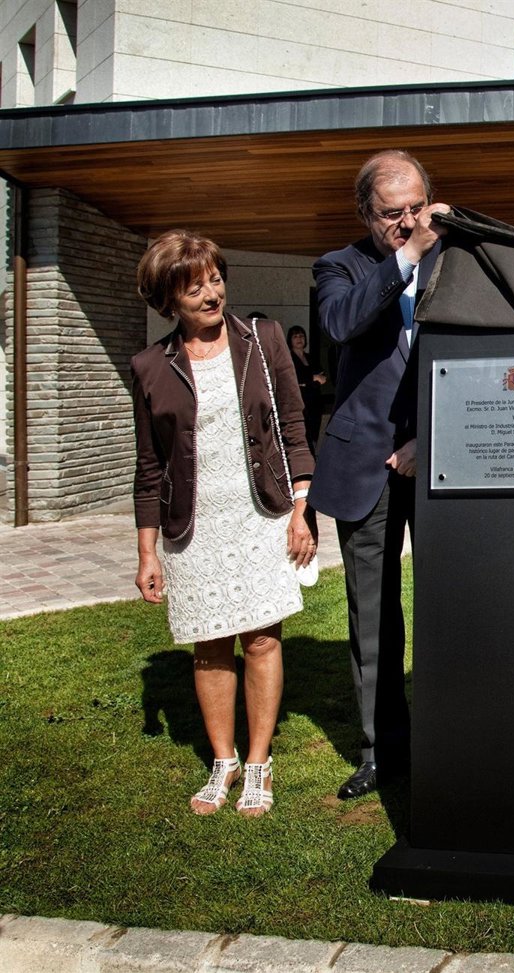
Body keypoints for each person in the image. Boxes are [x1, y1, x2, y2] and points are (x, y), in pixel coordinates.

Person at [132, 230, 317, 817]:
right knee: (209, 645)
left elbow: (294, 427)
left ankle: (259, 761)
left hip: (260, 513)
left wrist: (301, 509)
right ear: (169, 300)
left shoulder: (263, 339)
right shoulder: (149, 367)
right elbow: (148, 466)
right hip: (193, 524)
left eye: (215, 280)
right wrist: (147, 552)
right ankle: (224, 760)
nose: (212, 294)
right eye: (195, 288)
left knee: (261, 638)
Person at [307, 150, 449, 800]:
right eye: (393, 213)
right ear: (366, 212)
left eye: (418, 208)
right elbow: (343, 322)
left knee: (452, 602)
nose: (409, 222)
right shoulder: (339, 266)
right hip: (364, 462)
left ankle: (451, 739)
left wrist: (432, 437)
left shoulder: (456, 260)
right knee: (373, 614)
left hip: (440, 457)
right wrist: (407, 256)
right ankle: (380, 751)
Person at [285, 324, 327, 454]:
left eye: (301, 336)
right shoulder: (288, 359)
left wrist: (307, 381)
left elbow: (322, 378)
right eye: (295, 336)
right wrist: (312, 378)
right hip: (299, 403)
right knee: (303, 434)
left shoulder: (310, 358)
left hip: (315, 402)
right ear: (290, 340)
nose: (299, 339)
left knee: (314, 434)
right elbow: (293, 379)